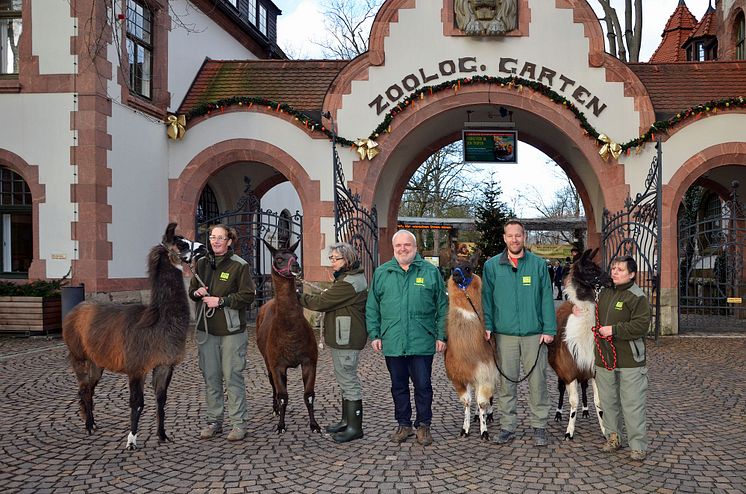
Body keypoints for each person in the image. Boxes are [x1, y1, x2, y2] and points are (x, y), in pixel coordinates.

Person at [366, 229, 448, 446]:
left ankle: (423, 426)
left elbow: (442, 306)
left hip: (422, 341)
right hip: (393, 340)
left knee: (423, 385)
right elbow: (372, 306)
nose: (403, 249)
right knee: (398, 386)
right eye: (398, 246)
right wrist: (374, 333)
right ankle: (404, 425)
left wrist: (441, 335)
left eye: (407, 245)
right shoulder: (382, 273)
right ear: (394, 249)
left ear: (415, 247)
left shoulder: (430, 272)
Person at [482, 219, 556, 446]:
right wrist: (488, 325)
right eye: (510, 235)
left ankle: (540, 425)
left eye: (518, 235)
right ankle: (507, 426)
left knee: (538, 381)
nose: (514, 239)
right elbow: (487, 299)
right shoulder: (492, 266)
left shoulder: (537, 265)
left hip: (535, 334)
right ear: (504, 238)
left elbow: (546, 297)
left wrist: (549, 328)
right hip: (505, 335)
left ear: (524, 237)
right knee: (507, 383)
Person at [189, 224, 256, 441]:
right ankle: (214, 421)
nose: (216, 241)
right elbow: (192, 291)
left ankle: (238, 424)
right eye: (212, 237)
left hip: (231, 331)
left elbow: (248, 296)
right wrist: (196, 292)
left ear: (229, 241)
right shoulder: (201, 264)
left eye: (221, 238)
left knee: (232, 376)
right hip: (207, 331)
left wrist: (222, 301)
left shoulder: (240, 266)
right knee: (211, 377)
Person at [299, 242, 368, 443]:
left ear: (348, 260)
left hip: (346, 338)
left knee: (348, 380)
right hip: (343, 336)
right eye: (331, 259)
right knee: (344, 379)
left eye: (335, 259)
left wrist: (297, 297)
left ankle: (355, 428)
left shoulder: (349, 283)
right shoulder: (347, 278)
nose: (332, 263)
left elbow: (321, 302)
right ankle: (346, 421)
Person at [589, 255, 651, 461]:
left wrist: (613, 330)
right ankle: (613, 437)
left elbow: (641, 326)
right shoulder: (605, 292)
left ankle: (638, 446)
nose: (614, 272)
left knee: (632, 403)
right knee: (608, 402)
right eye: (613, 268)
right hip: (604, 358)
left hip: (630, 360)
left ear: (632, 274)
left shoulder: (637, 297)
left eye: (620, 269)